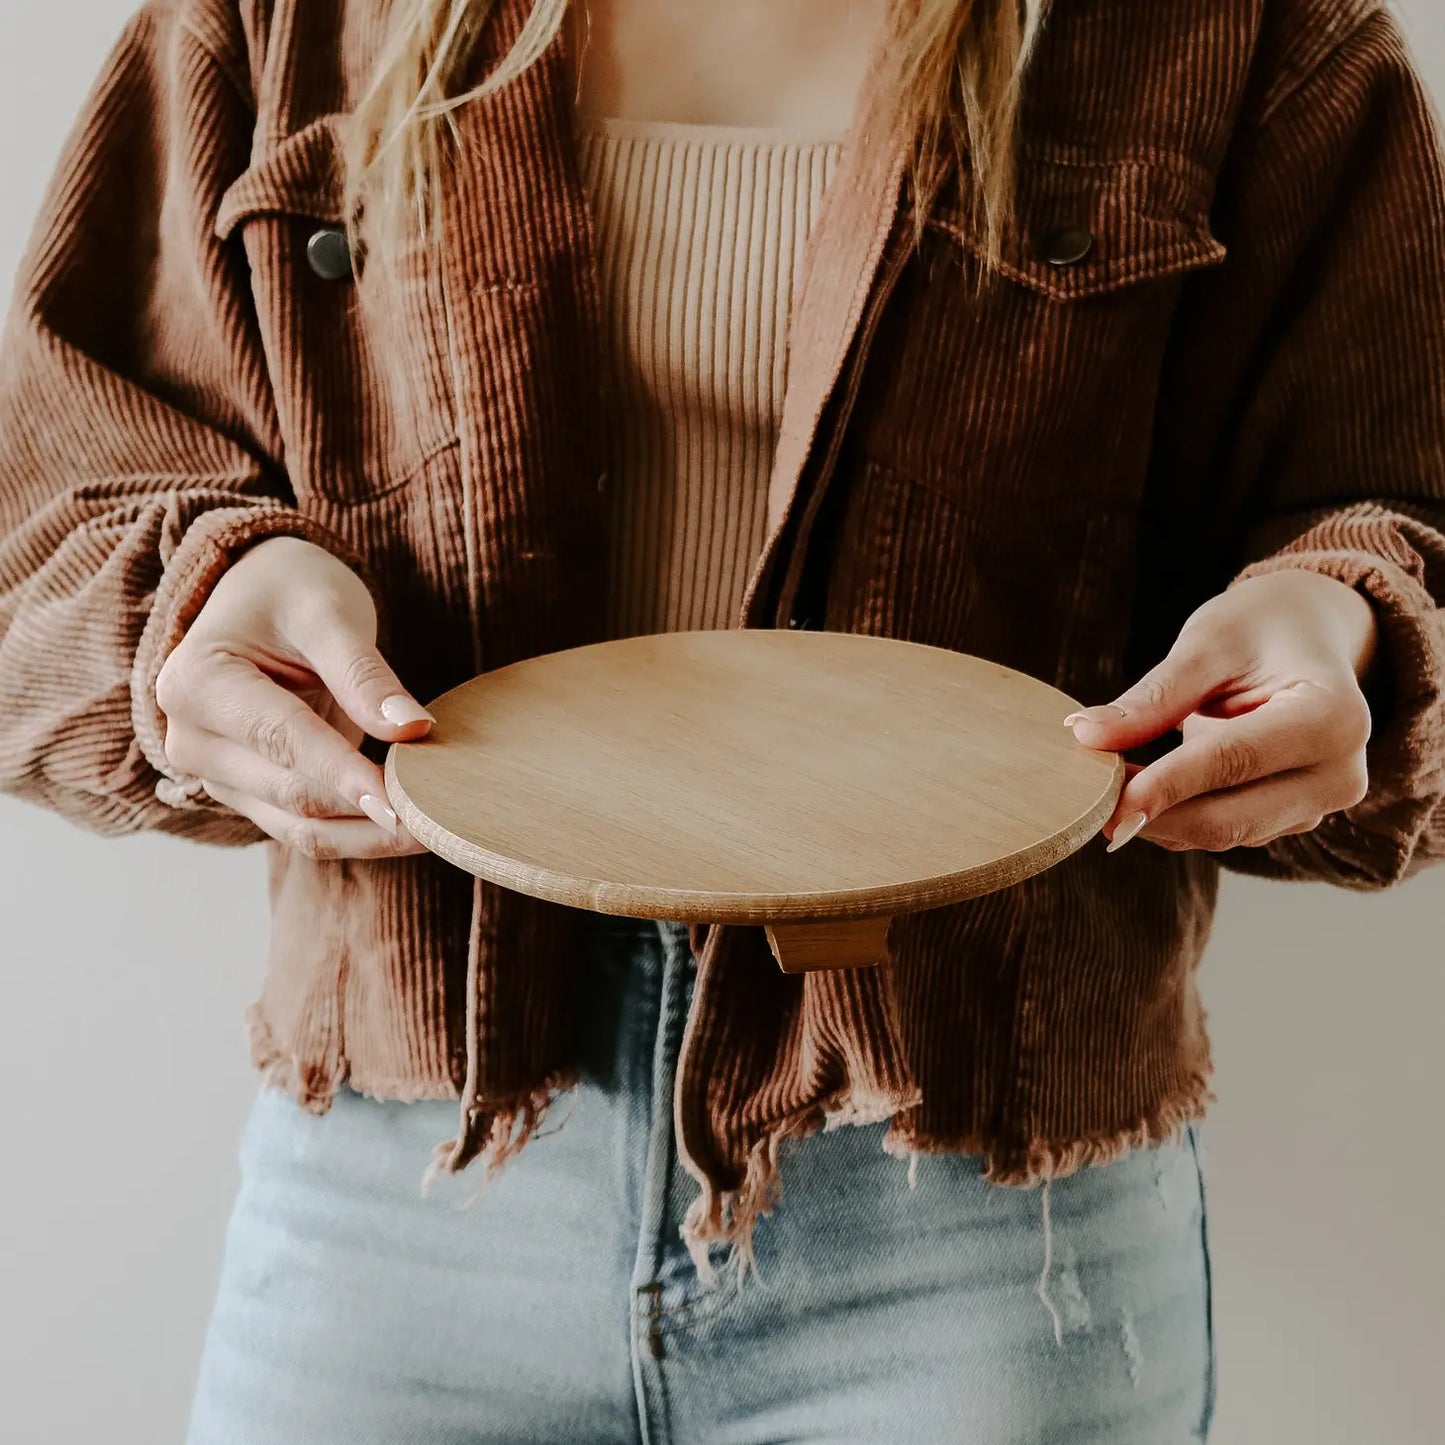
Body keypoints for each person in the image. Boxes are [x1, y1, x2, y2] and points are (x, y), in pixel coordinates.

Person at [2, 0, 1443, 1439]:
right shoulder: (282, 24)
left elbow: (1391, 509)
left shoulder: (1236, 34)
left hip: (981, 1197)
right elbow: (44, 508)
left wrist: (1348, 623)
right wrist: (201, 597)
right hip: (412, 1152)